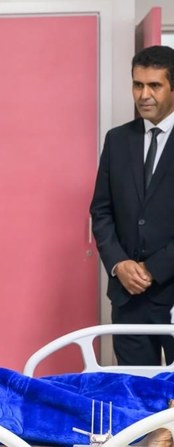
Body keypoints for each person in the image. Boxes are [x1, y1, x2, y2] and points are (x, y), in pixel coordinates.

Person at [90, 45, 174, 366]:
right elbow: (101, 211)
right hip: (129, 298)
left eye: (155, 85)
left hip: (169, 288)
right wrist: (119, 263)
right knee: (135, 395)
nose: (144, 95)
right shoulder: (117, 140)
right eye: (138, 85)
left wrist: (153, 270)